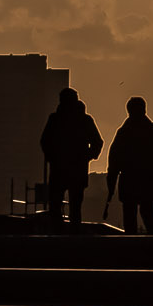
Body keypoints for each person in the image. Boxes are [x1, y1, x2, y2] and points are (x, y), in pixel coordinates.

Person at [105, 96, 153, 233]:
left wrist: (111, 183)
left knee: (130, 215)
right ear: (144, 109)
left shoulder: (123, 132)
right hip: (149, 179)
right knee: (148, 212)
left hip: (129, 180)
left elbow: (114, 160)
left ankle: (131, 243)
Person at [38, 88, 102, 230]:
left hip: (60, 169)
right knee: (74, 207)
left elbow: (44, 141)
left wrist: (52, 157)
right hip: (75, 170)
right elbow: (98, 142)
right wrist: (87, 157)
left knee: (58, 206)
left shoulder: (55, 119)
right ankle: (73, 234)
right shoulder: (83, 120)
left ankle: (59, 233)